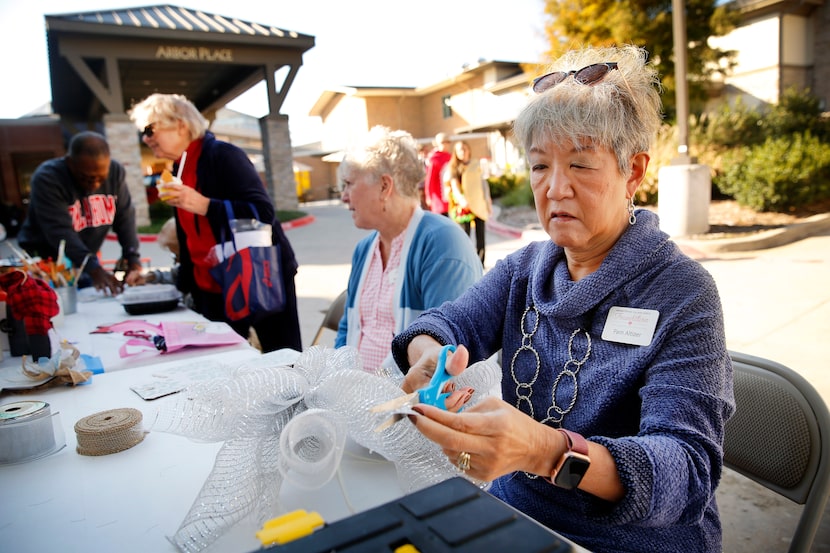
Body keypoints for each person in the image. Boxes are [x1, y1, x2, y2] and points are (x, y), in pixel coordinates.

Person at [390, 45, 735, 553]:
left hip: (630, 542)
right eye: (538, 167)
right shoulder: (525, 270)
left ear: (634, 171)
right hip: (516, 514)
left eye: (580, 165)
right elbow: (449, 322)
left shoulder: (683, 294)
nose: (554, 189)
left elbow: (686, 469)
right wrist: (428, 353)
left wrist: (547, 452)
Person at [128, 93, 302, 353]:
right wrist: (183, 286)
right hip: (212, 286)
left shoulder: (223, 155)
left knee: (284, 360)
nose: (146, 138)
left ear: (180, 124)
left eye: (150, 129)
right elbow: (188, 238)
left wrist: (204, 205)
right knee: (222, 363)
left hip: (259, 276)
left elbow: (263, 212)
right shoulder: (179, 168)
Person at [336, 125, 483, 374]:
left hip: (409, 404)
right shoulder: (364, 249)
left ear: (384, 186)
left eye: (349, 184)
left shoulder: (441, 243)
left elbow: (447, 353)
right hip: (357, 398)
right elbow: (347, 328)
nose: (344, 196)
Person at [17, 131, 143, 294]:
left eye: (101, 177)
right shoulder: (48, 178)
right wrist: (93, 268)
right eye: (87, 178)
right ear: (70, 163)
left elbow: (125, 217)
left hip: (84, 258)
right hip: (47, 262)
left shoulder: (115, 172)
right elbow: (60, 231)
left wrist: (132, 258)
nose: (95, 184)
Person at [444, 141, 492, 264]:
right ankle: (468, 263)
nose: (463, 152)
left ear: (469, 150)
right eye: (459, 150)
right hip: (463, 207)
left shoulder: (476, 165)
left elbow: (483, 183)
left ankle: (481, 263)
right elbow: (454, 187)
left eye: (464, 149)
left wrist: (487, 200)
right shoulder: (454, 168)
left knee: (480, 237)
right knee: (465, 237)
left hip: (479, 204)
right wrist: (462, 200)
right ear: (456, 152)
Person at [423, 132, 452, 216]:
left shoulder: (450, 156)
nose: (445, 145)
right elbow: (429, 180)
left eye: (447, 142)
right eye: (443, 142)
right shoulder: (434, 158)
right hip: (439, 196)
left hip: (449, 194)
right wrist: (429, 196)